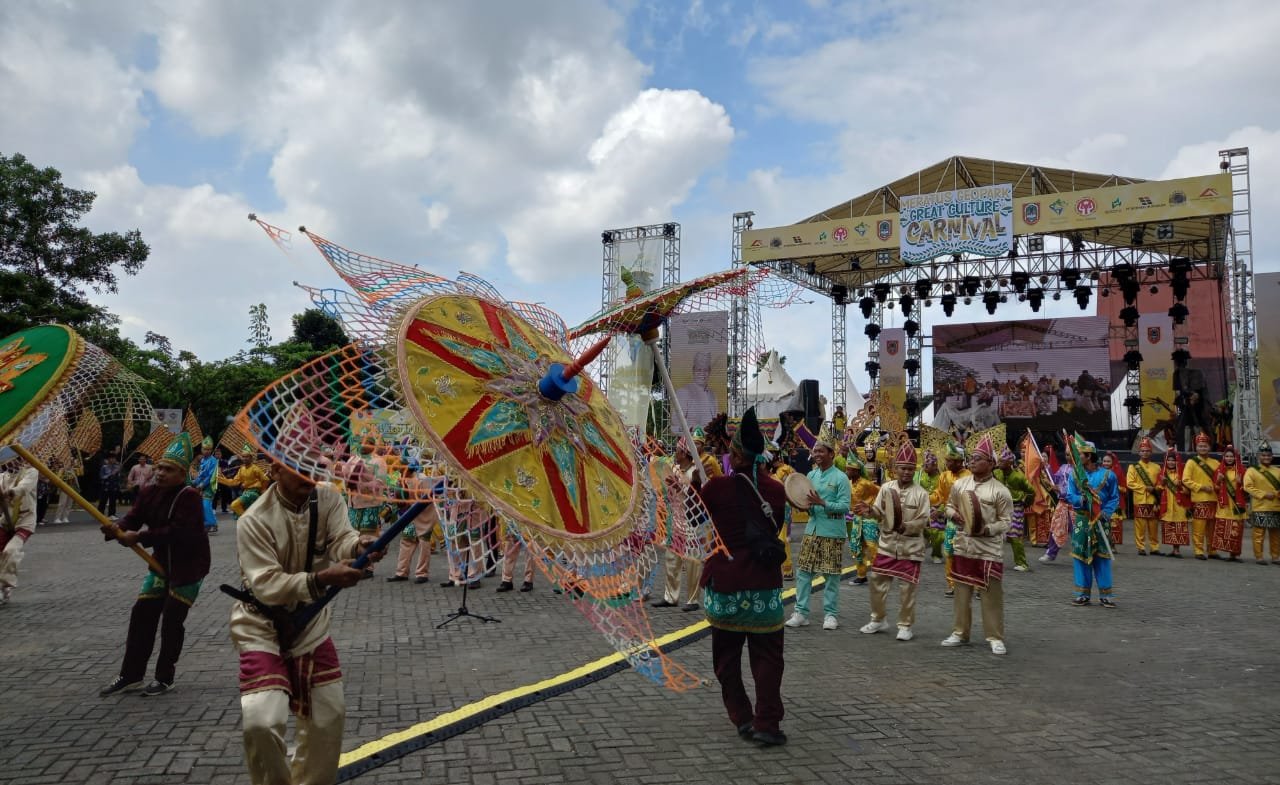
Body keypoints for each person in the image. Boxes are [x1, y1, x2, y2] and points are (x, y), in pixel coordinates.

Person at [232, 456, 385, 784]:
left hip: (311, 625)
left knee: (330, 714)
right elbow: (267, 584)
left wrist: (359, 544)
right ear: (273, 471)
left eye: (312, 465)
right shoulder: (253, 521)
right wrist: (322, 579)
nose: (309, 473)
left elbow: (341, 538)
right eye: (296, 466)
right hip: (262, 625)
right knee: (261, 720)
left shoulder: (328, 496)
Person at [697, 407, 788, 746]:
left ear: (734, 455)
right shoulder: (777, 491)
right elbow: (775, 529)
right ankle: (767, 723)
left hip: (726, 586)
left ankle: (741, 716)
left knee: (726, 660)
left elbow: (698, 522)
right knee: (768, 659)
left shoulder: (715, 488)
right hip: (764, 588)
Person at [99, 433, 211, 696]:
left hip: (188, 568)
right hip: (160, 563)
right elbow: (134, 518)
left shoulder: (190, 496)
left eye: (168, 470)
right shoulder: (148, 492)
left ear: (182, 474)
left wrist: (139, 537)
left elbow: (180, 533)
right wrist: (117, 528)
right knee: (142, 615)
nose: (160, 473)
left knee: (172, 620)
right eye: (159, 467)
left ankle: (164, 677)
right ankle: (131, 674)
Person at [940, 434, 1012, 655]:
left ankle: (995, 637)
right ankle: (960, 632)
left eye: (978, 458)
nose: (972, 461)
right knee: (962, 591)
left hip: (989, 549)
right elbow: (949, 507)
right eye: (971, 457)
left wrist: (988, 529)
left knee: (991, 594)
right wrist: (955, 516)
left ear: (990, 463)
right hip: (963, 545)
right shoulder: (960, 485)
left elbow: (1006, 522)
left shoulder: (1000, 490)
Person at [858, 441, 930, 641]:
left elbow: (924, 519)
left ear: (914, 470)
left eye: (910, 469)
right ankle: (878, 619)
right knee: (876, 582)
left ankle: (906, 625)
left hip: (911, 547)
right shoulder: (886, 488)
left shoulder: (921, 493)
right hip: (887, 545)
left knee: (907, 589)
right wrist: (870, 510)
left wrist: (908, 526)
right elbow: (879, 512)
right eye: (903, 468)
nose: (906, 472)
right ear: (895, 469)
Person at [786, 426, 850, 631]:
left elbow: (845, 507)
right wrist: (801, 505)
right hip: (811, 530)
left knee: (831, 575)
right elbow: (805, 502)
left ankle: (830, 615)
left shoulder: (841, 478)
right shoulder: (811, 476)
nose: (817, 455)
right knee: (804, 572)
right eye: (815, 451)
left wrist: (823, 503)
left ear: (831, 453)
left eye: (821, 451)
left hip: (832, 532)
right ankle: (801, 612)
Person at [651, 437, 714, 609]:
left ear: (685, 453)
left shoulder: (696, 472)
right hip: (676, 521)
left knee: (693, 561)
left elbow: (698, 498)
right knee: (672, 559)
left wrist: (691, 484)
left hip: (692, 523)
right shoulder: (675, 469)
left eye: (678, 451)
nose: (675, 454)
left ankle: (693, 600)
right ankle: (670, 597)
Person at [1065, 437, 1120, 607]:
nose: (1076, 457)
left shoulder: (1108, 475)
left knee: (1102, 557)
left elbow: (1114, 497)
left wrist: (1106, 511)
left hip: (1100, 520)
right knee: (1080, 556)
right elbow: (1069, 495)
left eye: (1079, 454)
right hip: (1082, 520)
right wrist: (1080, 499)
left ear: (1089, 456)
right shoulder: (1074, 475)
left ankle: (1106, 594)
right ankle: (1082, 593)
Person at [388, 465, 441, 585]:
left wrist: (411, 505)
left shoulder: (422, 479)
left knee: (424, 544)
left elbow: (429, 498)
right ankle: (401, 572)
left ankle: (422, 574)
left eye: (402, 470)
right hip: (410, 516)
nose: (400, 472)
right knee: (406, 541)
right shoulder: (403, 479)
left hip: (425, 517)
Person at [930, 442, 969, 596]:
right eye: (946, 460)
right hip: (951, 522)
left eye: (950, 460)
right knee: (949, 552)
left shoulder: (969, 476)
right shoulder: (944, 476)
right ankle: (952, 584)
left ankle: (977, 586)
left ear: (959, 461)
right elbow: (938, 495)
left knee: (967, 554)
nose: (946, 463)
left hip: (968, 523)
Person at [0, 460, 38, 605]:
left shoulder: (31, 471)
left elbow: (24, 487)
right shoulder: (2, 477)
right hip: (5, 521)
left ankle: (4, 584)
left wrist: (10, 492)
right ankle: (3, 589)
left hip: (25, 519)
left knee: (10, 551)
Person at [994, 446, 1033, 572]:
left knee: (1015, 535)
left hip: (1015, 507)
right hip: (999, 507)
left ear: (1009, 463)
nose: (999, 463)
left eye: (1001, 461)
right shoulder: (997, 473)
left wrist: (1025, 503)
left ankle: (1022, 563)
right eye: (998, 461)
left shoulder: (1018, 477)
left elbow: (1031, 492)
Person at [1181, 432, 1219, 560]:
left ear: (1209, 447)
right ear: (1196, 448)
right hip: (1199, 499)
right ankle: (1198, 550)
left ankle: (1212, 550)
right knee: (1199, 526)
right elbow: (1185, 480)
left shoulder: (1216, 463)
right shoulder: (1191, 462)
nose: (1203, 448)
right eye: (1200, 446)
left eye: (1205, 446)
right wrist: (1201, 487)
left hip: (1214, 499)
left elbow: (1220, 482)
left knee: (1212, 527)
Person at [844, 453, 880, 586]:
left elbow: (881, 492)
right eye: (846, 468)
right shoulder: (846, 483)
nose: (847, 471)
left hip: (869, 519)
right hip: (856, 519)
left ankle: (879, 575)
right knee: (856, 547)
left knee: (872, 547)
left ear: (856, 471)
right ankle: (861, 575)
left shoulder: (865, 483)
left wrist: (872, 507)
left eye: (849, 469)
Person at [1244, 444, 1280, 564]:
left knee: (1275, 534)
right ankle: (1259, 557)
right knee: (1259, 533)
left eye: (1268, 455)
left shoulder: (1277, 471)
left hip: (1276, 506)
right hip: (1260, 506)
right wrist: (1264, 494)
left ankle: (1275, 557)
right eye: (1263, 455)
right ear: (1259, 456)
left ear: (1272, 456)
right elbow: (1247, 487)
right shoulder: (1252, 470)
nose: (1266, 457)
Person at [1209, 445, 1246, 561]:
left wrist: (1241, 483)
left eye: (1232, 456)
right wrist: (1219, 480)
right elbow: (1215, 489)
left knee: (1236, 530)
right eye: (1227, 456)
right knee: (1224, 527)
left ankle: (1233, 554)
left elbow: (1247, 490)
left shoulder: (1242, 470)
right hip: (1224, 504)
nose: (1229, 459)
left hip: (1237, 504)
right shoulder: (1219, 470)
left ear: (1236, 458)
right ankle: (1225, 551)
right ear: (1224, 457)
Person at [1126, 438, 1162, 556]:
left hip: (1153, 500)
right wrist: (1145, 488)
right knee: (1140, 525)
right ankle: (1140, 547)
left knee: (1154, 525)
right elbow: (1130, 483)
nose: (1145, 453)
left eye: (1147, 450)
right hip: (1140, 499)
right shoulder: (1133, 467)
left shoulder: (1157, 467)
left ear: (1151, 452)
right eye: (1142, 451)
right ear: (1139, 452)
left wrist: (1157, 488)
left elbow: (1160, 483)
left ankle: (1154, 547)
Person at [221, 446, 271, 518]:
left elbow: (266, 479)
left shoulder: (255, 469)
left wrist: (261, 490)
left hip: (253, 493)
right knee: (249, 512)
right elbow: (234, 482)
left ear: (251, 458)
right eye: (243, 457)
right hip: (246, 492)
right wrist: (220, 479)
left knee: (235, 505)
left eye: (247, 457)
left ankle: (246, 520)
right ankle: (249, 522)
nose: (244, 458)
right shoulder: (242, 469)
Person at [1157, 449, 1191, 557]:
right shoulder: (1162, 473)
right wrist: (1162, 483)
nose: (1171, 462)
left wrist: (1181, 486)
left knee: (1178, 526)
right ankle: (1173, 549)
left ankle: (1177, 549)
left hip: (1179, 504)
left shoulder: (1182, 473)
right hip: (1166, 503)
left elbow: (1188, 490)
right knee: (1169, 526)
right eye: (1169, 460)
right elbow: (1158, 488)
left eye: (1173, 460)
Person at [674, 351, 718, 432]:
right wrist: (697, 427)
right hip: (691, 439)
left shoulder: (712, 394)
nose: (702, 373)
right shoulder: (683, 392)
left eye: (705, 370)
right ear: (693, 370)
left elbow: (715, 420)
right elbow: (676, 420)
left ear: (709, 371)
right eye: (699, 369)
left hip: (710, 439)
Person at [192, 436, 220, 534]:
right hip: (201, 486)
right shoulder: (203, 460)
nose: (206, 451)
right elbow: (201, 474)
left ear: (211, 450)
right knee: (201, 505)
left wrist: (202, 485)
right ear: (201, 449)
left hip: (209, 486)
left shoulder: (213, 461)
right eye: (205, 449)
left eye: (209, 449)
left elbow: (210, 476)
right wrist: (194, 482)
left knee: (206, 505)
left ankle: (211, 523)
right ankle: (208, 524)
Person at [51, 459, 78, 524]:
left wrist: (77, 488)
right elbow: (58, 478)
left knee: (69, 504)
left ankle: (65, 517)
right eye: (68, 463)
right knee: (62, 503)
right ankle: (57, 518)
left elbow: (75, 480)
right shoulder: (62, 470)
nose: (70, 464)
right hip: (64, 489)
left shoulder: (72, 470)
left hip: (71, 488)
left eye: (70, 463)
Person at [98, 451, 122, 520]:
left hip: (114, 486)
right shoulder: (104, 467)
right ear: (108, 459)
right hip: (105, 487)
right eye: (111, 458)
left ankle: (111, 514)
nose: (113, 460)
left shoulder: (117, 467)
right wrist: (110, 474)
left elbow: (118, 478)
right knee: (103, 501)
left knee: (113, 501)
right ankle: (100, 514)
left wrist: (118, 471)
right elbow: (102, 477)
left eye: (114, 458)